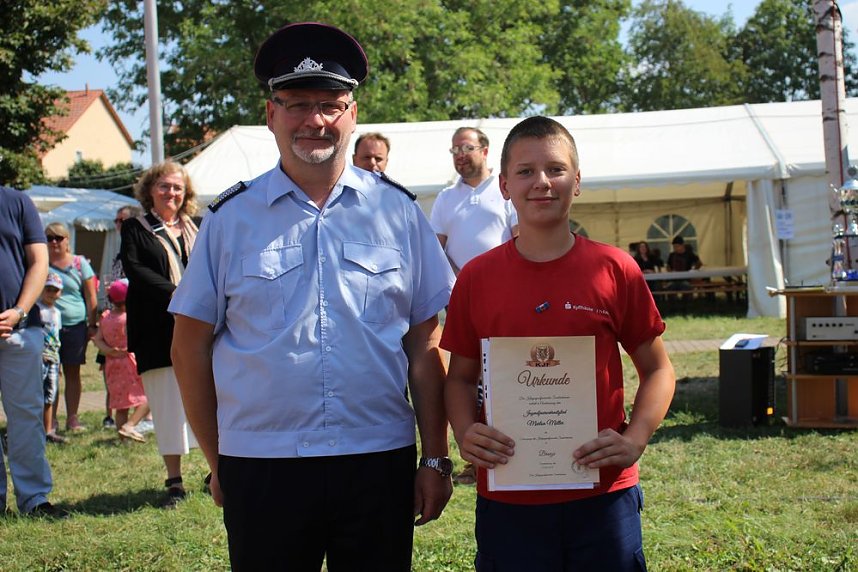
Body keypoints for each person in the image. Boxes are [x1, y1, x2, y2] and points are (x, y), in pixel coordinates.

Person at [169, 22, 454, 571]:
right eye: (297, 104)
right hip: (263, 460)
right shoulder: (230, 219)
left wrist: (436, 458)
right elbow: (189, 346)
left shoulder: (398, 213)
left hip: (376, 458)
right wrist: (219, 458)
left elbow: (425, 345)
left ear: (353, 114)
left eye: (330, 104)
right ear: (270, 114)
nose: (314, 120)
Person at [442, 116, 676, 571]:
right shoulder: (476, 277)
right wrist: (465, 430)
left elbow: (659, 369)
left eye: (556, 169)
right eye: (525, 171)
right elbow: (460, 379)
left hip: (603, 492)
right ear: (504, 185)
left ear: (578, 181)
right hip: (509, 493)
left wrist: (636, 438)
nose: (542, 182)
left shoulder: (614, 269)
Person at [120, 160, 200, 508]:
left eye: (177, 187)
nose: (171, 193)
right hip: (157, 329)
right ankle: (174, 480)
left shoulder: (196, 226)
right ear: (150, 190)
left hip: (199, 325)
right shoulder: (135, 228)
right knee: (167, 402)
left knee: (210, 397)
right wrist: (177, 294)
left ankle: (217, 469)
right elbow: (135, 269)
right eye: (164, 186)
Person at [0, 186, 64, 517]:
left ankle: (35, 499)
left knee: (26, 416)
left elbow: (39, 262)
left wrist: (19, 311)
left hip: (21, 330)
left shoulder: (17, 202)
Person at [430, 126, 518, 275]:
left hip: (504, 280)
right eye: (455, 150)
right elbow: (435, 249)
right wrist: (459, 278)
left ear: (485, 152)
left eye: (467, 148)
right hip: (459, 285)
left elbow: (521, 238)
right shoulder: (445, 197)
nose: (460, 155)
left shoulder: (507, 189)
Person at [45, 221, 97, 433]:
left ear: (67, 240)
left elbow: (91, 296)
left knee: (73, 372)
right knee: (51, 373)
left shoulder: (79, 263)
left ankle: (72, 418)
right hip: (48, 327)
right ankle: (51, 420)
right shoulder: (41, 262)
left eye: (58, 238)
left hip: (75, 325)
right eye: (49, 238)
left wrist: (92, 324)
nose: (54, 242)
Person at [92, 280, 149, 444]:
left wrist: (110, 351)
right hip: (130, 362)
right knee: (147, 397)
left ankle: (123, 439)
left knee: (121, 406)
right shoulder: (129, 318)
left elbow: (97, 339)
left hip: (112, 364)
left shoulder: (105, 317)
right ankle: (130, 426)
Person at [35, 273, 66, 444]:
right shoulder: (36, 310)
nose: (51, 293)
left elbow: (57, 337)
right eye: (48, 289)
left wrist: (58, 363)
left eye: (55, 290)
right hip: (40, 358)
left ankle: (48, 430)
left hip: (54, 358)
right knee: (36, 394)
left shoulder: (57, 313)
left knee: (50, 395)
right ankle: (33, 430)